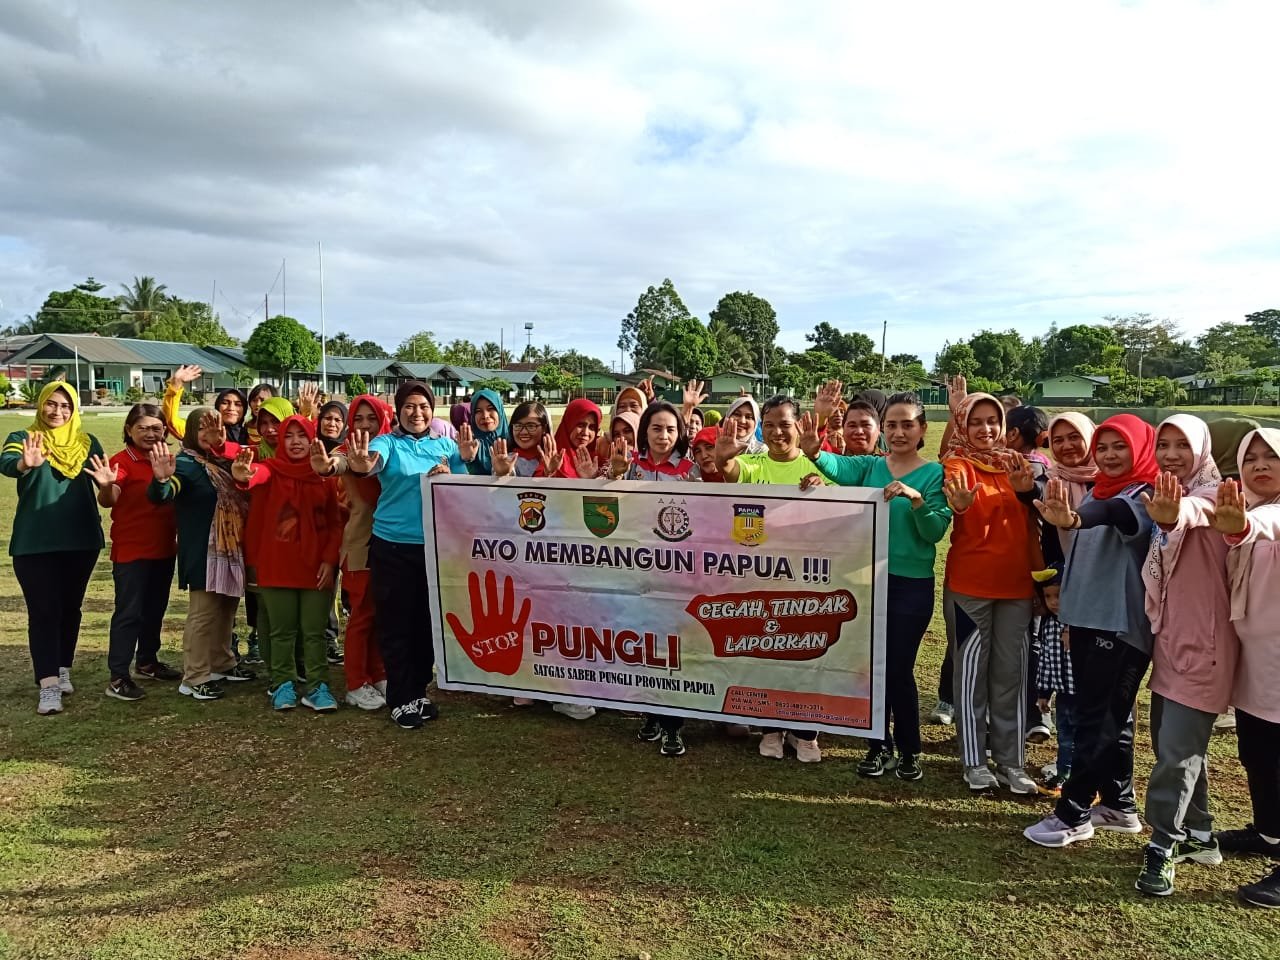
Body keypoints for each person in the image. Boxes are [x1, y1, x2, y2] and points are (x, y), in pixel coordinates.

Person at [800, 392, 951, 780]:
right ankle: (877, 745)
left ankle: (910, 749)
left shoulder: (934, 474)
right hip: (867, 581)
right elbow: (832, 464)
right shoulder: (870, 466)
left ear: (922, 429)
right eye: (892, 425)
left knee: (898, 667)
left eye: (907, 425)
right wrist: (814, 450)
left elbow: (934, 532)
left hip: (911, 585)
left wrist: (916, 499)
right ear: (883, 429)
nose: (899, 432)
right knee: (872, 667)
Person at [1024, 414, 1158, 848]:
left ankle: (1074, 813)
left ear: (1140, 449)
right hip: (1086, 621)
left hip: (1118, 627)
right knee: (1109, 718)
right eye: (1103, 447)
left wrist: (1076, 519)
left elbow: (1114, 515)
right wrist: (1071, 621)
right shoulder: (1102, 488)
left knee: (1096, 721)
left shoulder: (1145, 494)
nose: (1110, 455)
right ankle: (1119, 805)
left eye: (1120, 446)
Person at [1133, 414, 1235, 896]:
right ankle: (1200, 833)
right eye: (1164, 444)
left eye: (1182, 446)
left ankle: (1162, 845)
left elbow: (1192, 512)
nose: (1171, 454)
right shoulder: (1173, 492)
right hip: (1173, 641)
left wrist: (1171, 515)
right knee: (1174, 744)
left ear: (1202, 449)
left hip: (1207, 647)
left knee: (1176, 753)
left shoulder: (1217, 497)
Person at [345, 381, 468, 729]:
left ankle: (419, 691)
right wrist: (360, 463)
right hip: (393, 547)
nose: (417, 413)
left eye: (424, 406)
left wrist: (452, 472)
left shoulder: (445, 445)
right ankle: (400, 698)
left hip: (434, 546)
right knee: (396, 624)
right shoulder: (388, 443)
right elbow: (370, 462)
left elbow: (463, 487)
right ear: (399, 411)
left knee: (426, 624)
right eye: (410, 407)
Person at [715, 395, 828, 762]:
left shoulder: (816, 466)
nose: (778, 431)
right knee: (767, 654)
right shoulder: (754, 464)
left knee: (806, 654)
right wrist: (723, 457)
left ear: (798, 425)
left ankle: (805, 732)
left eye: (785, 424)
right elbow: (730, 469)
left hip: (808, 583)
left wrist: (824, 489)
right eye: (770, 424)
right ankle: (770, 729)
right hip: (762, 581)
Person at [939, 392, 1040, 794]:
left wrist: (1042, 580)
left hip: (1016, 587)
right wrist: (962, 506)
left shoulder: (1016, 464)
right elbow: (956, 501)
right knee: (971, 676)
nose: (985, 429)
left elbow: (1032, 525)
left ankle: (1012, 762)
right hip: (970, 587)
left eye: (993, 421)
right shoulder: (957, 464)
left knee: (1011, 674)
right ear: (964, 425)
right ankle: (974, 760)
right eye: (976, 421)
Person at [2, 382, 110, 715]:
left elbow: (106, 493)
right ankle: (48, 685)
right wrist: (25, 464)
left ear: (74, 410)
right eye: (51, 403)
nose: (58, 411)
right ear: (40, 405)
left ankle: (62, 668)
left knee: (70, 608)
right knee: (44, 611)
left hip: (81, 540)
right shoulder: (24, 437)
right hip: (35, 543)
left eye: (66, 406)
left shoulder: (87, 442)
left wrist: (107, 485)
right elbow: (7, 463)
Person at [1210, 428, 1280, 908]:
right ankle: (1269, 831)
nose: (1259, 465)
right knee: (1257, 751)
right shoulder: (1252, 507)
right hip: (1256, 657)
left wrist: (1240, 527)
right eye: (1250, 457)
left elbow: (1267, 525)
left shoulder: (1264, 515)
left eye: (1270, 456)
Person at [232, 416, 341, 712]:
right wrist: (244, 475)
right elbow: (255, 475)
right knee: (281, 632)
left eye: (301, 435)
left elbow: (335, 523)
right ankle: (282, 684)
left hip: (316, 567)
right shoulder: (272, 469)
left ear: (312, 439)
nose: (295, 442)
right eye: (289, 435)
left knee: (314, 632)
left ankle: (318, 687)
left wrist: (330, 561)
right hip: (276, 565)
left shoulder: (324, 475)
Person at [147, 409, 255, 701]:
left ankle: (221, 662)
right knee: (203, 614)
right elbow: (165, 493)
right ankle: (194, 676)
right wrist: (161, 481)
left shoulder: (224, 462)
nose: (210, 434)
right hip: (205, 552)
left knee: (226, 609)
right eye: (202, 428)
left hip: (230, 549)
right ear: (192, 432)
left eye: (216, 427)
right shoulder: (185, 464)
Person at [311, 395, 391, 710]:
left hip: (391, 543)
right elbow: (337, 463)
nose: (365, 425)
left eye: (372, 418)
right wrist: (327, 465)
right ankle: (356, 682)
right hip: (361, 546)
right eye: (358, 418)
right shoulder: (346, 450)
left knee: (381, 615)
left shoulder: (392, 448)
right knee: (362, 614)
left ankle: (378, 673)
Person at [97, 404, 181, 702]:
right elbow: (110, 499)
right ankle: (118, 677)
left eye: (156, 428)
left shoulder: (168, 458)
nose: (149, 433)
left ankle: (147, 661)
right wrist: (106, 486)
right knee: (129, 613)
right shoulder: (121, 461)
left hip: (164, 548)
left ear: (165, 431)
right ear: (129, 430)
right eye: (142, 427)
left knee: (155, 610)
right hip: (132, 552)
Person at [1032, 564, 1072, 795]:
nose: (1054, 602)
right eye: (1048, 597)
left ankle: (1085, 778)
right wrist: (1044, 694)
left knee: (1084, 738)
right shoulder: (1048, 625)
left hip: (1084, 695)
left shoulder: (1083, 626)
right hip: (1063, 695)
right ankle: (1064, 773)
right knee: (1065, 736)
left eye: (1059, 595)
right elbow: (1046, 662)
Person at [162, 366, 250, 444]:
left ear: (245, 409)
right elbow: (171, 421)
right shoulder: (202, 431)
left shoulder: (250, 436)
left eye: (238, 404)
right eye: (225, 403)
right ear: (217, 406)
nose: (231, 408)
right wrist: (176, 385)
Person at [491, 402, 559, 478]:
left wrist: (548, 473)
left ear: (544, 428)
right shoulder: (506, 460)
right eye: (518, 425)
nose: (524, 432)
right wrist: (503, 474)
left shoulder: (556, 459)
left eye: (531, 426)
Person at [552, 398, 602, 479]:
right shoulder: (551, 456)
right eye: (581, 425)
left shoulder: (598, 459)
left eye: (592, 427)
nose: (585, 433)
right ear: (568, 424)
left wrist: (591, 479)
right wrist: (549, 472)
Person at [463, 389, 509, 476]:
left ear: (500, 411)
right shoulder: (467, 445)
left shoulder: (514, 441)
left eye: (490, 409)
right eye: (478, 411)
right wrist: (468, 460)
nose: (485, 416)